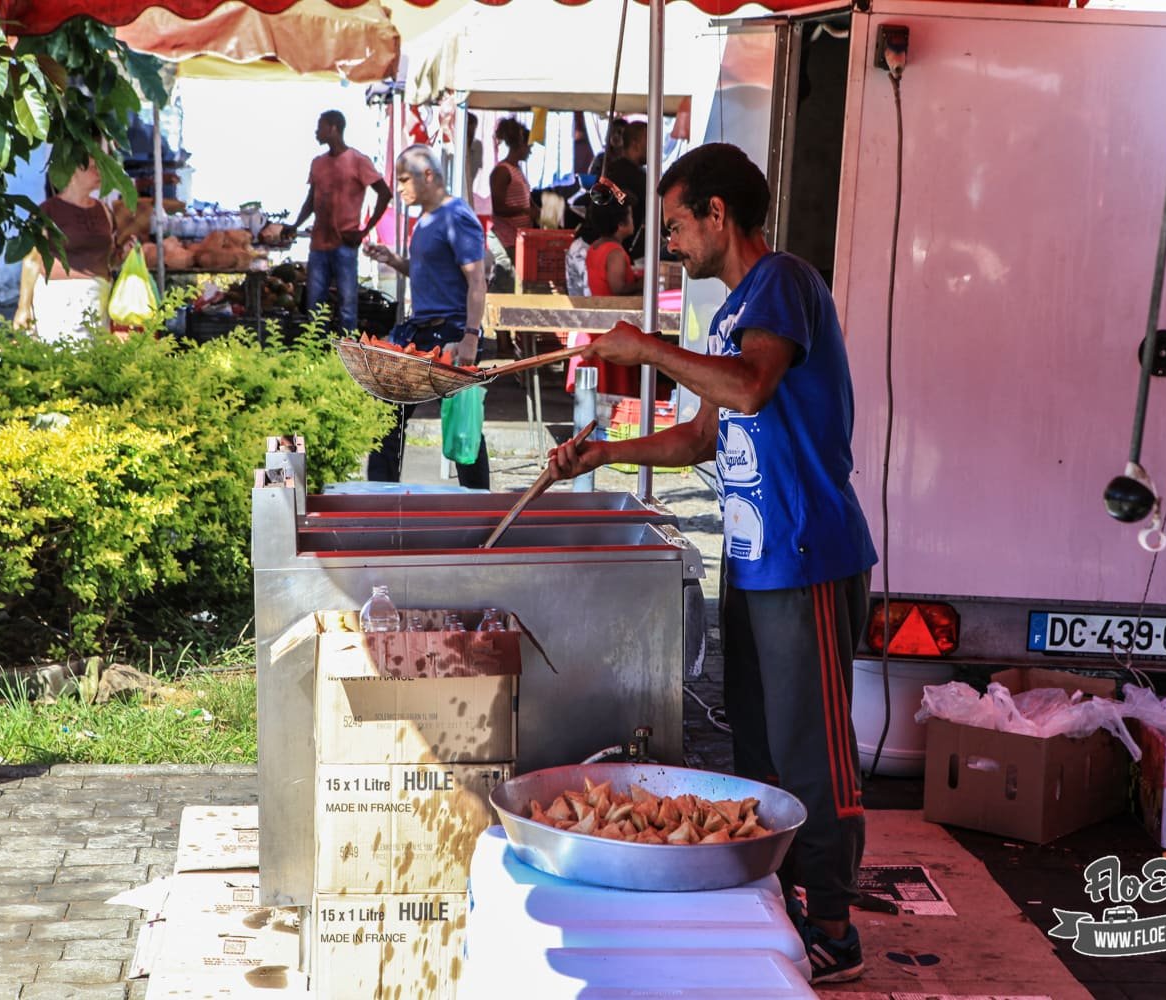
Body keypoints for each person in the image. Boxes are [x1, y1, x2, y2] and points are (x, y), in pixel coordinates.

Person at [544, 143, 877, 984]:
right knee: (758, 742)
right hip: (756, 555)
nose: (672, 243)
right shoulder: (729, 314)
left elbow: (753, 389)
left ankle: (834, 923)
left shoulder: (785, 283)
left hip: (807, 550)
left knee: (814, 749)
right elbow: (703, 434)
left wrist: (648, 349)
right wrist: (607, 453)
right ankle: (781, 903)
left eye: (677, 226)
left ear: (718, 215)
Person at [361, 145, 491, 489]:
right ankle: (381, 495)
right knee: (388, 414)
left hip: (449, 332)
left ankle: (479, 502)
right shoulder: (425, 220)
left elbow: (477, 280)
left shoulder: (457, 217)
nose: (400, 188)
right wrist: (392, 260)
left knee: (463, 424)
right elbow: (423, 272)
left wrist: (470, 336)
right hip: (419, 330)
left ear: (428, 176)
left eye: (404, 180)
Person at [293, 110, 391, 333]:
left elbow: (384, 193)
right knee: (315, 305)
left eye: (320, 126)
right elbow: (312, 200)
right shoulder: (317, 163)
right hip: (318, 245)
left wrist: (365, 230)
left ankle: (346, 352)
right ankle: (315, 352)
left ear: (333, 128)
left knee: (348, 304)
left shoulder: (358, 161)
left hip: (345, 244)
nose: (316, 132)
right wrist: (294, 226)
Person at [15, 153, 129, 342]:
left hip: (98, 298)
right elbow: (31, 260)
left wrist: (123, 254)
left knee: (92, 360)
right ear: (74, 171)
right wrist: (23, 306)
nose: (99, 172)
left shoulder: (104, 210)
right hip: (59, 299)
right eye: (92, 167)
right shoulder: (47, 211)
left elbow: (109, 259)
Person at [564, 192, 640, 395]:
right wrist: (643, 282)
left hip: (597, 324)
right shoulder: (614, 251)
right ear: (621, 224)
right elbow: (618, 289)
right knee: (614, 392)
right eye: (631, 216)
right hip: (610, 328)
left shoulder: (595, 247)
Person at [488, 118, 534, 264]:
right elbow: (498, 208)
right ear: (520, 145)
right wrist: (525, 211)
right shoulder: (502, 171)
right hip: (505, 240)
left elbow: (525, 198)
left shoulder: (516, 170)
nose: (530, 151)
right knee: (505, 282)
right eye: (529, 147)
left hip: (516, 239)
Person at [602, 119, 649, 260]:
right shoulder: (638, 177)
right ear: (636, 144)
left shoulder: (610, 170)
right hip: (626, 251)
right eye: (649, 142)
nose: (654, 147)